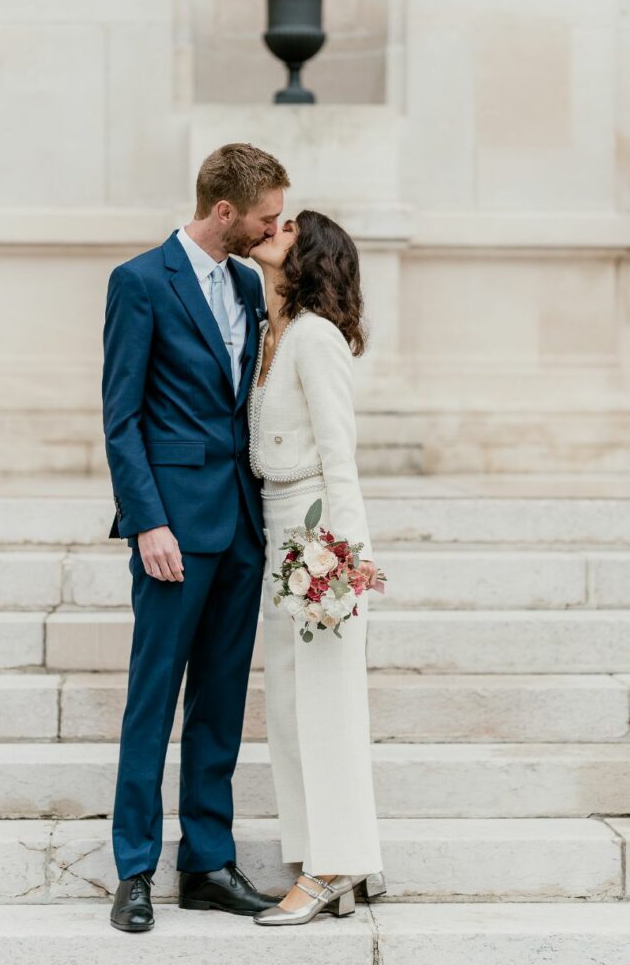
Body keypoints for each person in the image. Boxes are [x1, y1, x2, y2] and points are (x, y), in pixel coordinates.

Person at [102, 143, 289, 932]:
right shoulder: (140, 282)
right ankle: (136, 871)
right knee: (153, 699)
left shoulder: (249, 283)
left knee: (219, 702)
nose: (273, 229)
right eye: (265, 217)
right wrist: (148, 521)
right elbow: (122, 417)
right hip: (173, 527)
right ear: (224, 212)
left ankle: (207, 862)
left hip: (240, 522)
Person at [246, 209, 385, 925]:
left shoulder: (316, 337)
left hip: (315, 537)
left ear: (312, 254)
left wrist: (345, 558)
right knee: (291, 711)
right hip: (275, 535)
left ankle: (335, 864)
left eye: (293, 226)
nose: (277, 226)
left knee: (326, 708)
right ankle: (321, 859)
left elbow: (340, 454)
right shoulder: (274, 333)